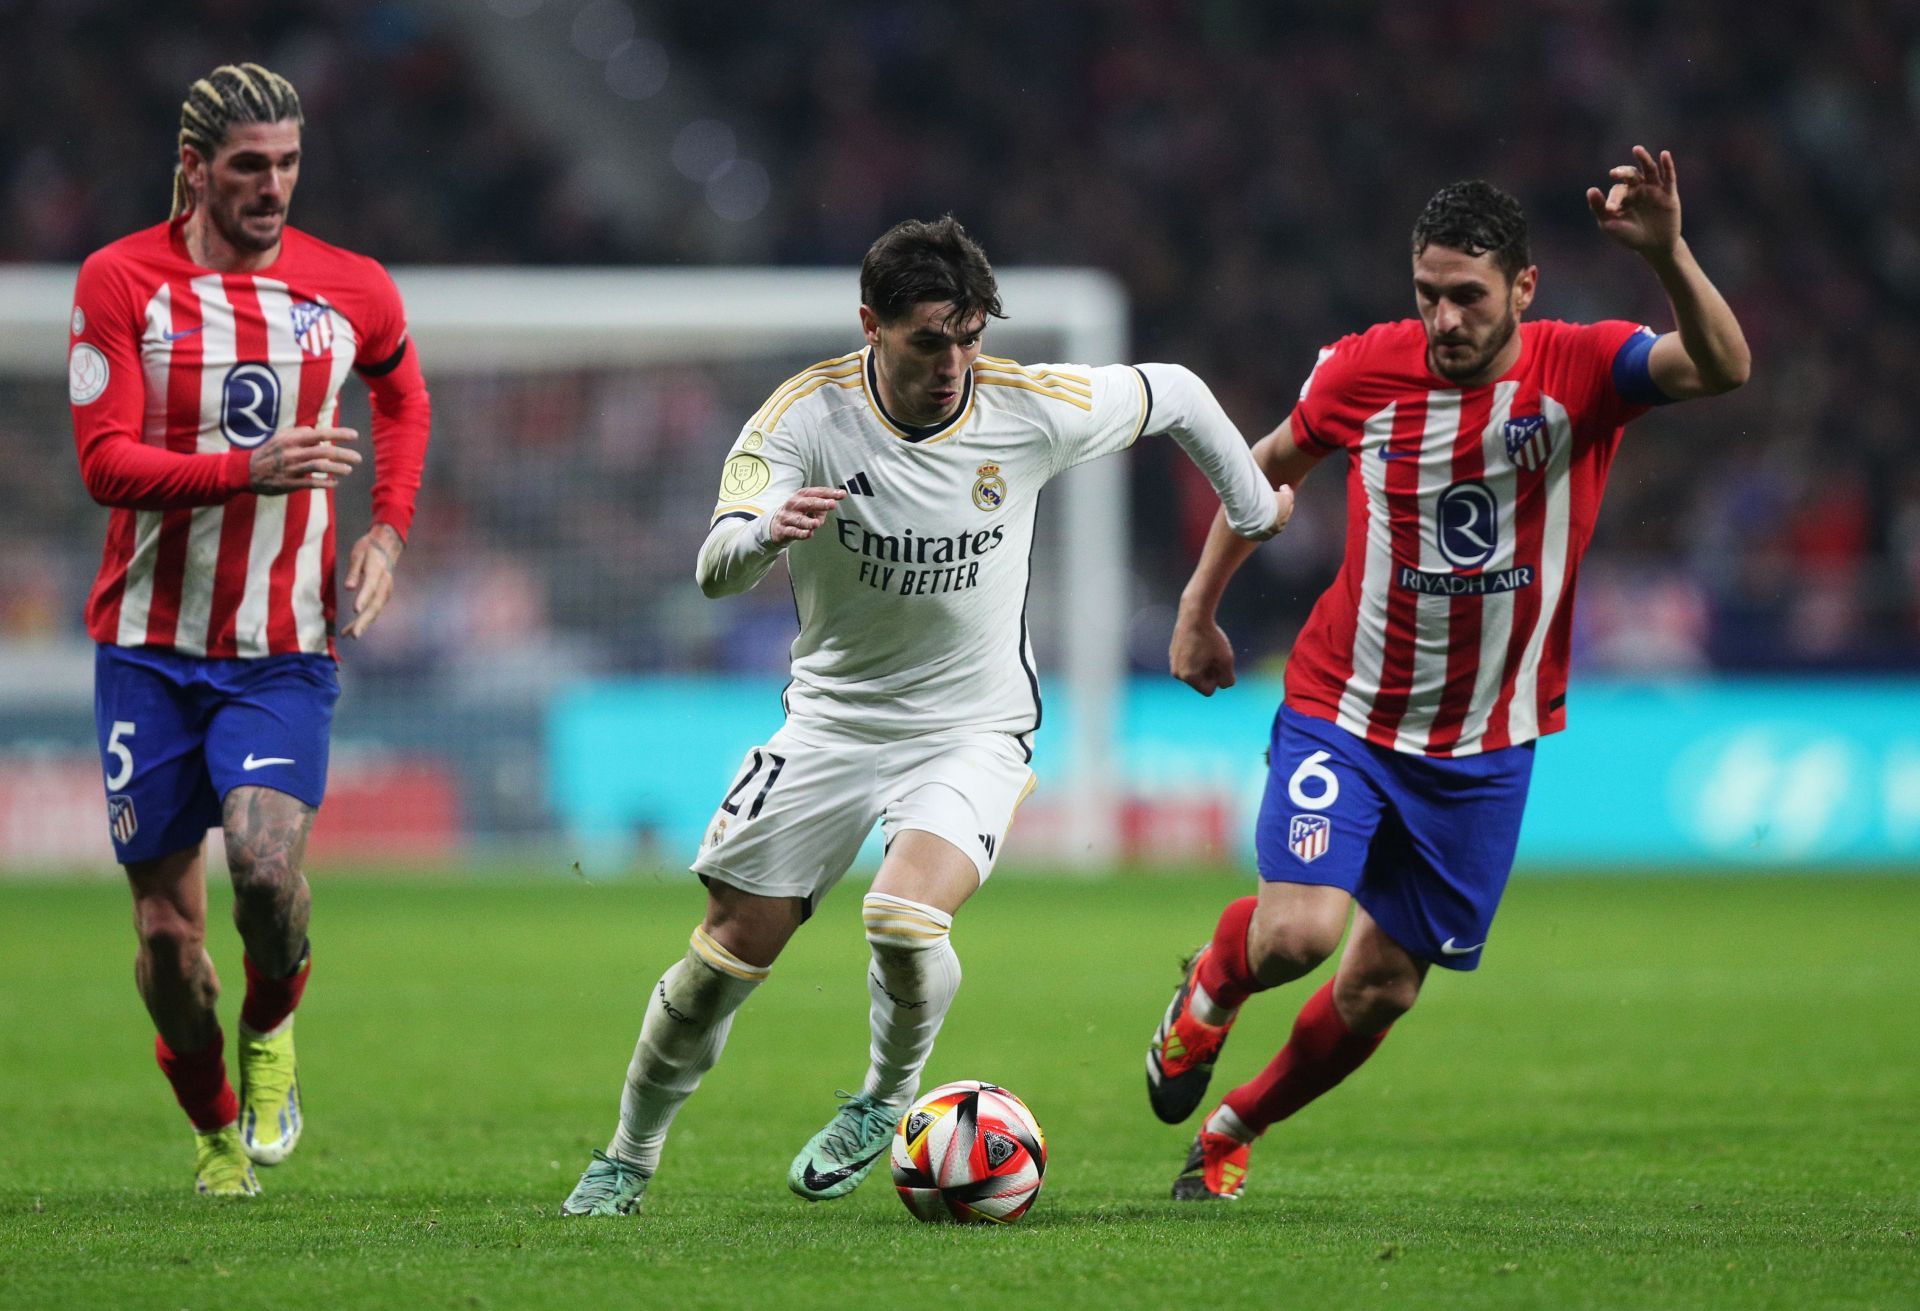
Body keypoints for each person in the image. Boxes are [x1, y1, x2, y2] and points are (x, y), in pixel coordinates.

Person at [562, 215, 1290, 1217]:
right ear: (872, 325)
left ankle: (884, 1100)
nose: (955, 363)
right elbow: (712, 570)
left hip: (971, 729)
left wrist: (1253, 510)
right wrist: (764, 532)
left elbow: (1179, 393)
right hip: (830, 724)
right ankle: (627, 1160)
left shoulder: (1025, 407)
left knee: (902, 918)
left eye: (970, 335)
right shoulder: (802, 419)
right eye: (929, 341)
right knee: (717, 964)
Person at [1144, 148, 1750, 1200]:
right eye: (1427, 294)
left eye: (1467, 297)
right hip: (1346, 706)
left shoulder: (1582, 370)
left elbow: (1728, 366)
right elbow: (1264, 470)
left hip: (1485, 744)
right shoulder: (1364, 371)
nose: (1444, 319)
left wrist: (1669, 254)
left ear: (1522, 288)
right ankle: (1209, 986)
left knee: (1380, 989)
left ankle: (1235, 1126)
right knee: (1298, 935)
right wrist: (1199, 610)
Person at [69, 63, 431, 1197]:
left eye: (286, 165)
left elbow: (403, 398)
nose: (272, 187)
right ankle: (214, 1125)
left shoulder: (350, 287)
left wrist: (386, 534)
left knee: (268, 876)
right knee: (171, 941)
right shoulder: (122, 282)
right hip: (147, 649)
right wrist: (249, 470)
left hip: (283, 646)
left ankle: (273, 1029)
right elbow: (103, 463)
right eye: (247, 167)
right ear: (193, 169)